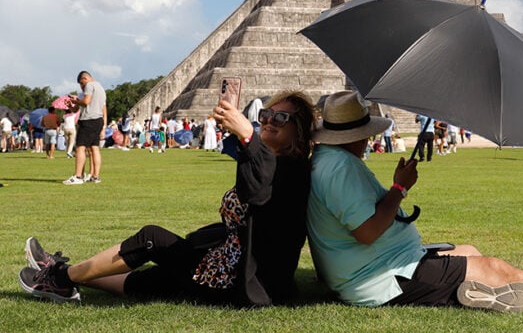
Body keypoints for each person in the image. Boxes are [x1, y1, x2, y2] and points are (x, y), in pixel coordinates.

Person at [306, 91, 523, 312]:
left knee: (470, 250)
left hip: (384, 265)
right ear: (360, 133)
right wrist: (399, 189)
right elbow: (367, 231)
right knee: (494, 267)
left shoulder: (333, 161)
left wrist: (397, 189)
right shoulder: (338, 167)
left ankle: (471, 292)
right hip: (382, 279)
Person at [19, 90, 316, 306]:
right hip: (226, 264)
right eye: (265, 115)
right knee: (151, 281)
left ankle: (58, 278)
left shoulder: (294, 169)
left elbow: (257, 193)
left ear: (298, 129)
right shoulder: (271, 160)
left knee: (153, 238)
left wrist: (248, 137)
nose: (268, 121)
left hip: (242, 279)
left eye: (281, 117)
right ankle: (66, 277)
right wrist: (245, 139)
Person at [63, 71, 107, 185]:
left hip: (88, 120)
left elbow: (86, 102)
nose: (82, 87)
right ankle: (95, 176)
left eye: (82, 83)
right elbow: (78, 108)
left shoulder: (90, 85)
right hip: (98, 120)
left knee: (80, 148)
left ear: (86, 78)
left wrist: (75, 100)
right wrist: (71, 105)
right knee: (94, 148)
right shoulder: (101, 88)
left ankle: (78, 176)